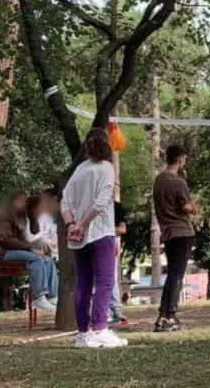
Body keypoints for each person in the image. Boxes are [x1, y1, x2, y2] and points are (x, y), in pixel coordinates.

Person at [61, 128, 126, 349]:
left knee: (84, 284)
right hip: (99, 233)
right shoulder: (106, 168)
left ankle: (82, 332)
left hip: (78, 238)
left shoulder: (80, 169)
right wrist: (82, 224)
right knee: (105, 281)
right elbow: (101, 203)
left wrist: (71, 224)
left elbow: (65, 200)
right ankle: (99, 328)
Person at [0, 192, 58, 313]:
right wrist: (30, 249)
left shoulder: (20, 216)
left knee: (47, 259)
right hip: (0, 252)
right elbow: (3, 239)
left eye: (25, 202)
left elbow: (30, 233)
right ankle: (38, 297)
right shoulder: (3, 215)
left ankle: (53, 297)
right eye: (21, 201)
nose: (24, 204)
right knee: (36, 259)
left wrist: (33, 215)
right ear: (13, 202)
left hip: (13, 250)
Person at [153, 144, 197, 333]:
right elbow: (186, 207)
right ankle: (170, 315)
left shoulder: (159, 180)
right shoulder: (178, 182)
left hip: (168, 233)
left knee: (172, 274)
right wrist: (194, 207)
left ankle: (163, 313)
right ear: (180, 159)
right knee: (177, 276)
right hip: (182, 232)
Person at [108, 200, 129, 326]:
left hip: (109, 245)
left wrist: (106, 229)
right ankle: (108, 312)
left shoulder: (115, 207)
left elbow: (122, 229)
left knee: (111, 279)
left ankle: (116, 311)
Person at [25, 190, 60, 260]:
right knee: (42, 242)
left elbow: (53, 234)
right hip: (33, 247)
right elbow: (28, 239)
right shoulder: (25, 220)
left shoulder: (46, 217)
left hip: (49, 246)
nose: (43, 207)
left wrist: (52, 241)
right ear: (32, 209)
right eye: (40, 206)